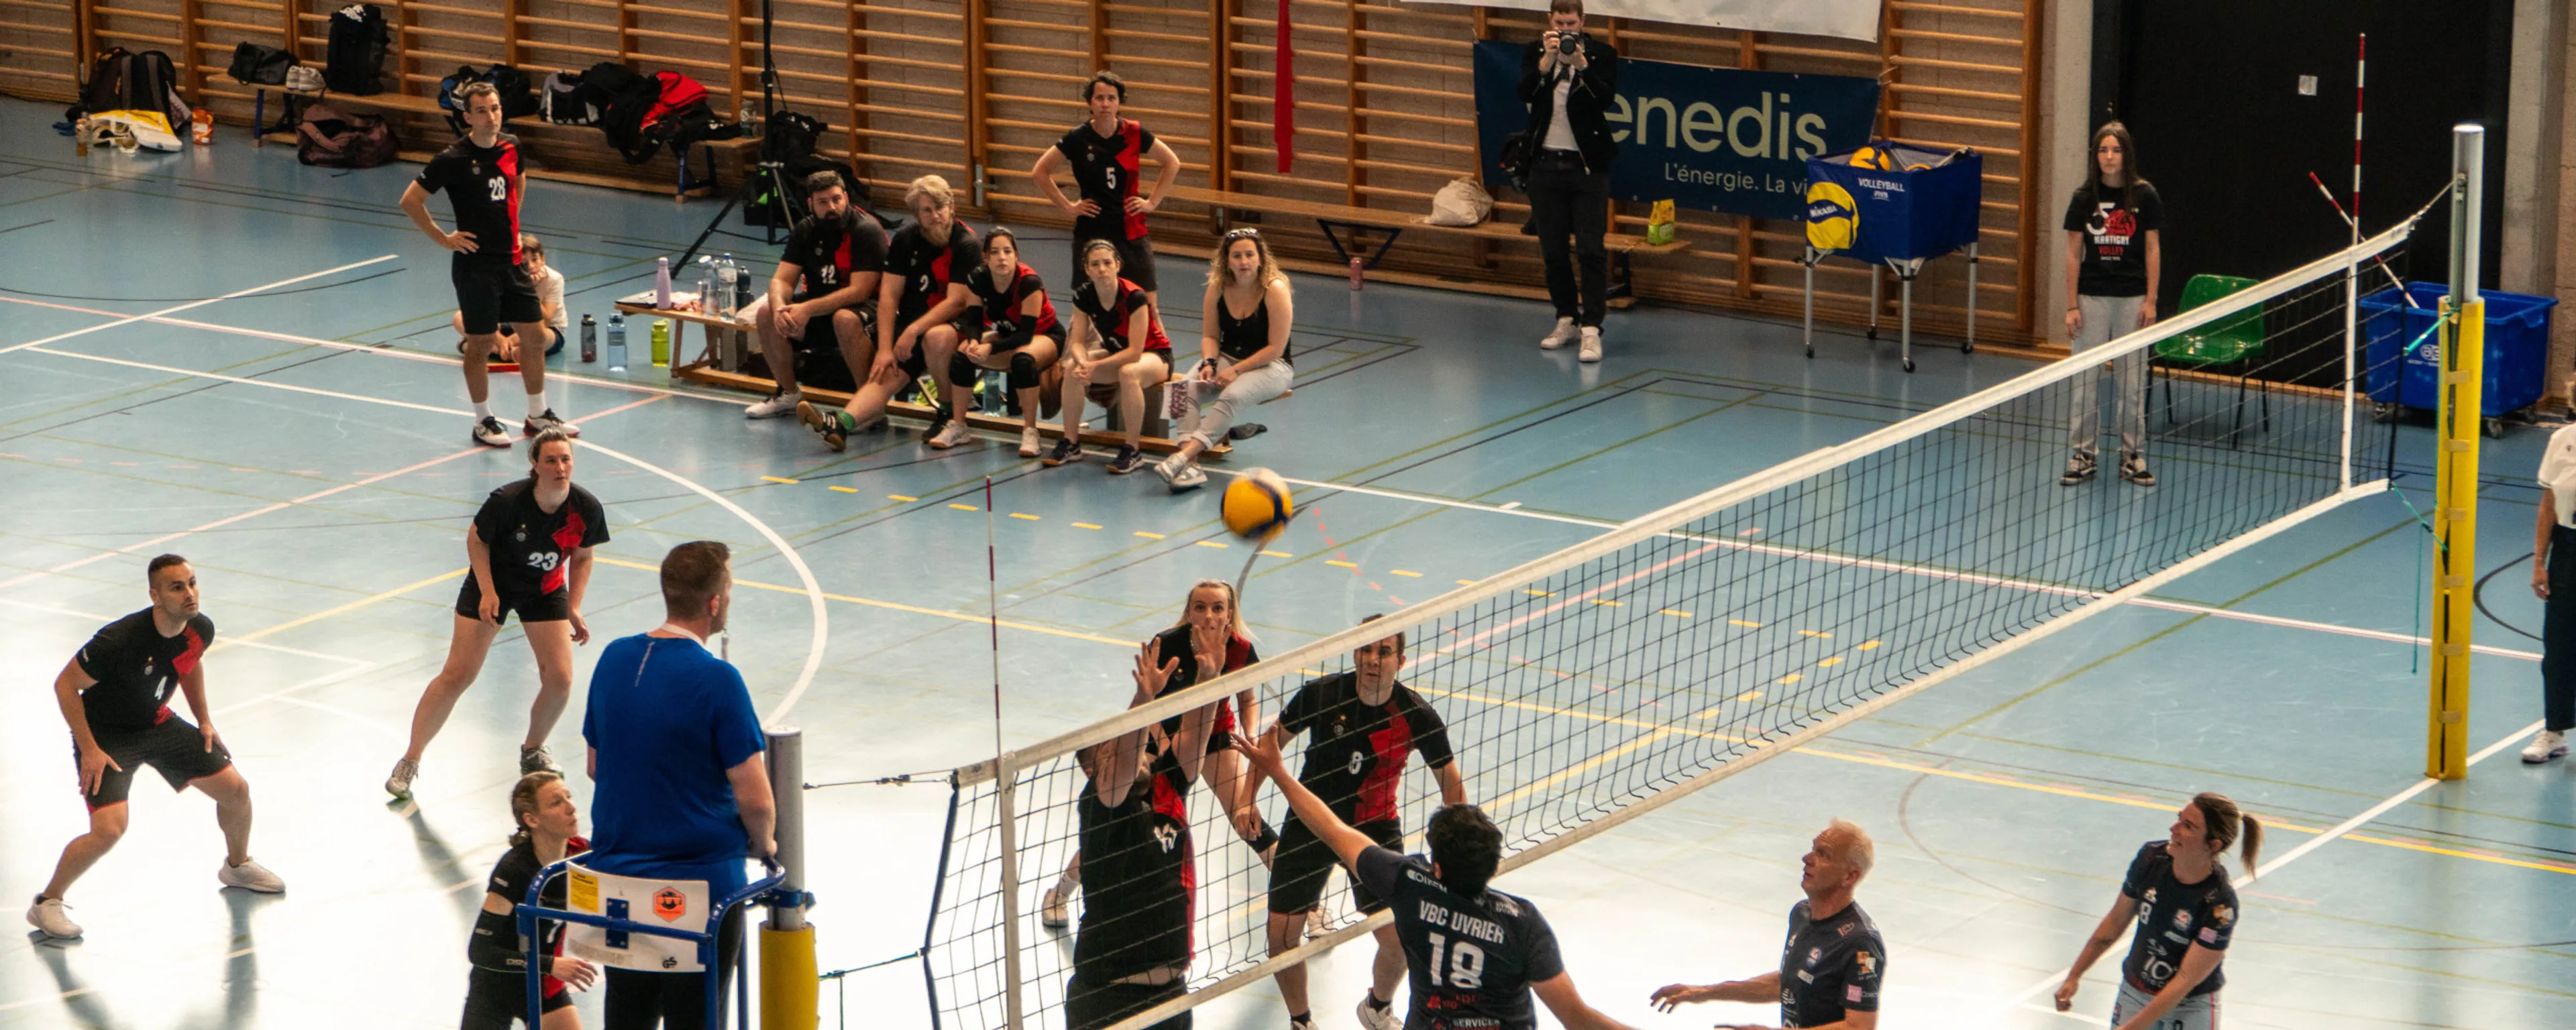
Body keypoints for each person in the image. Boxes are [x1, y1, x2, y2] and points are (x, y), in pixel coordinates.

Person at [1238, 735, 1641, 1030]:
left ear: (1438, 868)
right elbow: (1579, 1020)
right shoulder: (1522, 922)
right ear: (1492, 866)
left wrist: (1277, 770)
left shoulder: (1409, 885)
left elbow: (1331, 829)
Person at [27, 555, 284, 941]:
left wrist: (204, 721)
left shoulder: (199, 629)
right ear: (156, 595)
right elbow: (66, 685)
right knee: (109, 832)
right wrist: (90, 749)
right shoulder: (118, 640)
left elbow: (190, 663)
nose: (189, 593)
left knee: (236, 792)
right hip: (108, 737)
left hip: (156, 722)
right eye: (177, 587)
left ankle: (237, 865)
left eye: (192, 583)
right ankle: (47, 903)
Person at [582, 540, 775, 1030]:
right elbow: (755, 799)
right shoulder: (718, 680)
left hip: (618, 883)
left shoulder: (614, 658)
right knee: (698, 1016)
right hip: (696, 893)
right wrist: (766, 841)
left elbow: (595, 765)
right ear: (714, 603)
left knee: (628, 1013)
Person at [1261, 618, 1468, 1030]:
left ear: (1401, 660)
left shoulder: (1416, 715)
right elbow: (1272, 740)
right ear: (1355, 653)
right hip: (1310, 823)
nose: (1374, 660)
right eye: (1366, 650)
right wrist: (1247, 797)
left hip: (1374, 830)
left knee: (1400, 939)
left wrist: (1452, 852)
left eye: (1384, 652)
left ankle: (1376, 1007)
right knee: (1282, 938)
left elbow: (1453, 788)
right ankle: (1301, 1022)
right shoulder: (1322, 694)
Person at [386, 428, 607, 801]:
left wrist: (574, 606)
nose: (560, 467)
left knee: (560, 679)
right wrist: (488, 592)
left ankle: (533, 749)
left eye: (566, 459)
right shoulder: (508, 501)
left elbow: (584, 556)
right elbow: (477, 540)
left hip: (546, 589)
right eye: (551, 460)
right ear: (535, 465)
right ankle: (410, 759)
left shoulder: (585, 507)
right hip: (494, 585)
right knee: (458, 674)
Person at [1042, 579, 1275, 929]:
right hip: (1157, 739)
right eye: (1200, 607)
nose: (1208, 614)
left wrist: (1251, 733)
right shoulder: (1168, 643)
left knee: (1246, 815)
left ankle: (1302, 897)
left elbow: (1248, 698)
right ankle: (1061, 891)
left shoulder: (1240, 648)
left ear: (1230, 613)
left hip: (1214, 736)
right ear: (1189, 610)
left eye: (1217, 607)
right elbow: (1150, 706)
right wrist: (1169, 754)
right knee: (1126, 828)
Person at [400, 82, 579, 447]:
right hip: (475, 267)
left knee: (533, 336)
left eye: (495, 108)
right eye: (482, 110)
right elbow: (411, 200)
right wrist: (444, 239)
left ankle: (537, 414)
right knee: (480, 342)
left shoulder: (512, 145)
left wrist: (512, 225)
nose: (491, 116)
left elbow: (518, 183)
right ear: (467, 117)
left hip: (512, 263)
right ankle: (483, 420)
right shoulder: (452, 159)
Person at [1063, 640, 1220, 1030]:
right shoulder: (1102, 805)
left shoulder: (1166, 788)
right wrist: (1144, 701)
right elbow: (1122, 764)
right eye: (1109, 752)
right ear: (1093, 771)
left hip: (1171, 995)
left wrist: (1210, 681)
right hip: (1110, 999)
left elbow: (1197, 736)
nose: (1138, 754)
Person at [1648, 820, 1884, 1030]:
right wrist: (1705, 992)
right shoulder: (1802, 914)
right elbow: (1789, 983)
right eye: (1813, 849)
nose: (1807, 858)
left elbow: (1859, 1026)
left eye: (1823, 855)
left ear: (1849, 877)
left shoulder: (1861, 943)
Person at [2051, 795, 2260, 1030]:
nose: (2174, 829)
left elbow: (2185, 980)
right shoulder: (2151, 859)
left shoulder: (2221, 906)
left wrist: (2132, 1028)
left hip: (2190, 1006)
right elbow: (2115, 921)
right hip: (2135, 990)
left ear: (2213, 845)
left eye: (2188, 826)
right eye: (2179, 819)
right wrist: (2075, 975)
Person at [1031, 70, 1181, 334]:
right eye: (1099, 98)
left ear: (1119, 103)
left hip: (1130, 229)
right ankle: (1081, 359)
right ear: (1090, 102)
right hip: (1091, 230)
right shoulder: (1077, 138)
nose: (1105, 103)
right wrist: (1068, 206)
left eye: (1111, 98)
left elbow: (1172, 162)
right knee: (1087, 306)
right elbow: (1040, 172)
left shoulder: (1134, 133)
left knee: (1148, 303)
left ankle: (1161, 355)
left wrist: (1152, 202)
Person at [846, 174, 983, 449]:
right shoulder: (905, 240)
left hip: (954, 327)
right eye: (927, 211)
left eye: (941, 208)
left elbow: (956, 302)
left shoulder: (966, 244)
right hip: (913, 327)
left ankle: (948, 415)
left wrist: (912, 330)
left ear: (952, 207)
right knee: (884, 373)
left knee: (937, 338)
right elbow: (888, 295)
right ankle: (841, 423)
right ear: (917, 215)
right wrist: (885, 349)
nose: (936, 216)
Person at [1517, 0, 1620, 364]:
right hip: (1545, 166)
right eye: (1559, 23)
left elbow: (1606, 98)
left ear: (1583, 21)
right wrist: (1546, 64)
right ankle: (1566, 318)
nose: (1566, 30)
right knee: (1553, 251)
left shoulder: (1601, 53)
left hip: (1588, 168)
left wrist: (1581, 66)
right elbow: (1524, 93)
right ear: (1549, 21)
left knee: (1591, 249)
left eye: (1572, 23)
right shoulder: (1536, 52)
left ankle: (1592, 329)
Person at [1153, 229, 1295, 493]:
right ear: (1226, 260)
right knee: (1179, 391)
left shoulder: (1275, 289)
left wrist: (1236, 371)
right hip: (1228, 357)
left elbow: (1276, 348)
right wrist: (1209, 362)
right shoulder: (1218, 287)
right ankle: (1191, 467)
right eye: (1237, 256)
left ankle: (1181, 458)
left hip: (1272, 366)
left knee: (1231, 396)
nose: (1244, 262)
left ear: (1261, 258)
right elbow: (1210, 335)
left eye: (1250, 255)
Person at [2061, 121, 2163, 488]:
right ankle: (2083, 454)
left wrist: (2151, 300)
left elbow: (2152, 249)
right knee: (2084, 381)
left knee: (2132, 382)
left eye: (2115, 150)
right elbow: (2074, 254)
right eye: (2103, 150)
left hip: (2132, 300)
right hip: (2091, 298)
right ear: (2096, 156)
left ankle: (2132, 455)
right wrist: (2071, 305)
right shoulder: (2083, 198)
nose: (2109, 157)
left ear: (2126, 154)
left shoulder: (2144, 196)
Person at [460, 771, 598, 1030]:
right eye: (556, 803)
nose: (571, 807)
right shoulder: (514, 870)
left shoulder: (583, 856)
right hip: (496, 987)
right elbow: (480, 951)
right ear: (532, 819)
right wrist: (550, 964)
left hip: (544, 984)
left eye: (568, 797)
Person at [1044, 239, 1172, 473]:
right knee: (1073, 367)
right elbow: (1078, 343)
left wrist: (1097, 365)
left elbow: (1135, 352)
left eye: (1107, 263)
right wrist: (1084, 363)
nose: (1102, 269)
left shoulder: (1134, 297)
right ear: (1087, 269)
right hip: (1116, 352)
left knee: (1128, 372)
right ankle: (1071, 443)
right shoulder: (1084, 296)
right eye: (1095, 264)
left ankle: (1132, 450)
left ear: (1117, 265)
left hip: (1154, 355)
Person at [950, 227, 1063, 457]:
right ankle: (958, 425)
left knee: (1023, 359)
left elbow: (1026, 334)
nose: (1002, 257)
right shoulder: (977, 279)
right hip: (1006, 334)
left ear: (1016, 255)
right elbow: (972, 320)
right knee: (962, 355)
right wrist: (973, 341)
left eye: (1007, 251)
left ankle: (1030, 431)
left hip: (1045, 335)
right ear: (986, 257)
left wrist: (990, 347)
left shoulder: (1029, 282)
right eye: (995, 252)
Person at [2527, 423, 2576, 762]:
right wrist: (2539, 563)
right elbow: (2548, 506)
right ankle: (2554, 730)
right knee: (2558, 646)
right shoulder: (2562, 439)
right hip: (2568, 549)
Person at [455, 234, 567, 363]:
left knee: (542, 336)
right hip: (513, 324)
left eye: (535, 260)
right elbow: (493, 311)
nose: (530, 266)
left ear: (543, 259)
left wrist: (530, 288)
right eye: (525, 263)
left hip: (547, 330)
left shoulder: (554, 279)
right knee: (460, 317)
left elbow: (546, 320)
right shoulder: (509, 275)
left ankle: (484, 348)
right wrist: (501, 339)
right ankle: (505, 351)